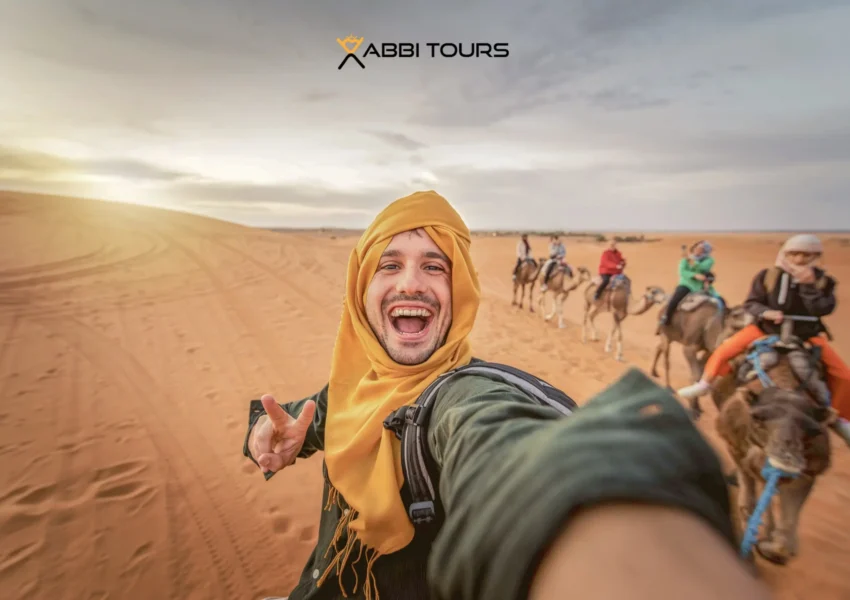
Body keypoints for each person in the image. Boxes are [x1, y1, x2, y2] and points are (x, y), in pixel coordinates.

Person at [244, 190, 770, 600]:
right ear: (360, 288)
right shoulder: (351, 388)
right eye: (389, 264)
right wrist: (268, 432)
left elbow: (501, 445)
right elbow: (307, 417)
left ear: (461, 291)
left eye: (435, 266)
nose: (411, 284)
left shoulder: (461, 399)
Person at [677, 234, 850, 446]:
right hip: (765, 330)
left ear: (816, 256)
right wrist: (766, 313)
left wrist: (808, 286)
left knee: (843, 374)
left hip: (806, 334)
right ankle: (704, 383)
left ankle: (840, 418)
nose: (799, 259)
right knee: (724, 350)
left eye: (806, 255)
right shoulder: (768, 276)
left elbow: (824, 308)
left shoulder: (824, 281)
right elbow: (752, 303)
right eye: (794, 253)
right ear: (786, 254)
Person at [658, 240, 724, 328]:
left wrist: (690, 259)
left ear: (705, 251)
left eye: (701, 249)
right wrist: (694, 275)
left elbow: (701, 267)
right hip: (686, 284)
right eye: (697, 248)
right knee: (675, 298)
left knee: (720, 301)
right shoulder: (685, 259)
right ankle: (667, 318)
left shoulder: (709, 260)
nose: (698, 250)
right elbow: (682, 272)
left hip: (701, 286)